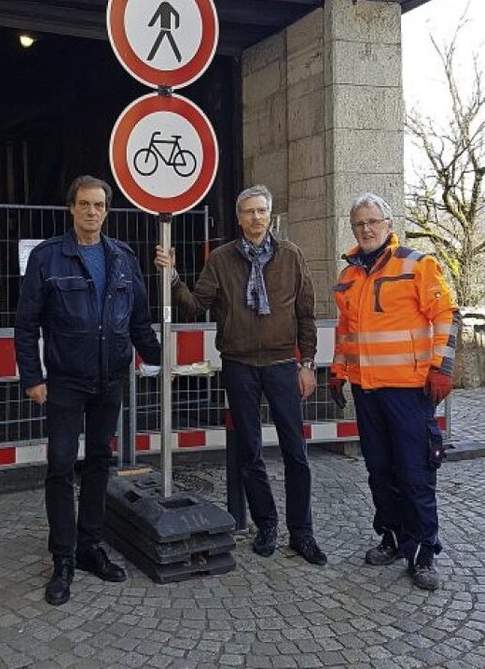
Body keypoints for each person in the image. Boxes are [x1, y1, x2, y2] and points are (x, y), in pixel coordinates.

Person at [155, 183, 327, 565]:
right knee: (249, 451)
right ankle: (266, 526)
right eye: (248, 212)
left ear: (270, 214)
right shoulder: (221, 259)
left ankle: (302, 533)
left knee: (295, 452)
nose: (255, 217)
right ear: (239, 217)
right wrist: (172, 278)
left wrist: (308, 364)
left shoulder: (292, 256)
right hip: (239, 365)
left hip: (284, 365)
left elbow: (306, 315)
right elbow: (195, 306)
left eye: (261, 211)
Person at [15, 175, 160, 606]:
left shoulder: (123, 258)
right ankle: (62, 558)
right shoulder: (47, 258)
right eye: (84, 204)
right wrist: (32, 377)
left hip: (110, 379)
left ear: (106, 210)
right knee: (61, 466)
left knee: (99, 463)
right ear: (71, 208)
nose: (91, 211)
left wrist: (159, 360)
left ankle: (88, 547)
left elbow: (138, 320)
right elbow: (26, 326)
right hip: (64, 381)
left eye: (98, 205)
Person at [330, 192, 459, 591]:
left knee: (415, 471)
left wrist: (442, 368)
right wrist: (338, 371)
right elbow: (346, 331)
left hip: (408, 391)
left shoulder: (417, 264)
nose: (366, 229)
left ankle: (423, 553)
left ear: (389, 224)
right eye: (359, 223)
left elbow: (446, 315)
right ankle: (391, 537)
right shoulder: (349, 275)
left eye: (373, 221)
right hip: (367, 392)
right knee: (379, 471)